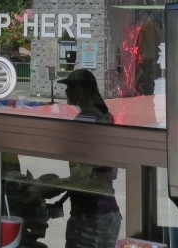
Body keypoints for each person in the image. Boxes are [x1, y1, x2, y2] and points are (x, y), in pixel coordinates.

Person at [56, 70, 121, 248]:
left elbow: (81, 179)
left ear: (87, 90)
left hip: (91, 218)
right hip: (107, 213)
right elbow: (110, 173)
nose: (67, 91)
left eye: (72, 87)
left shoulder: (85, 120)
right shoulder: (104, 117)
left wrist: (47, 186)